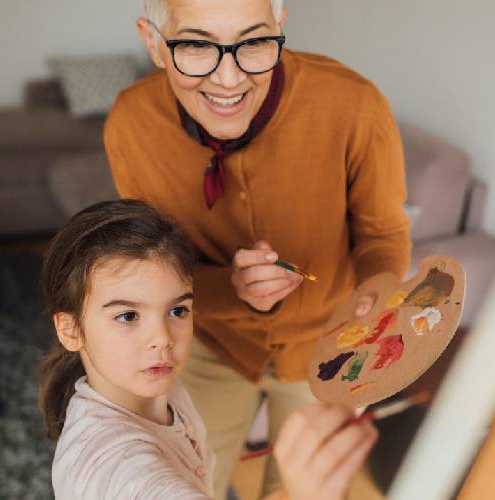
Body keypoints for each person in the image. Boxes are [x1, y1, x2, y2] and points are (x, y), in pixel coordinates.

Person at [104, 0, 410, 496]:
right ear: (154, 44)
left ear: (279, 29)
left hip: (331, 347)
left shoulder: (356, 104)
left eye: (254, 42)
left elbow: (384, 235)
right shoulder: (129, 122)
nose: (229, 79)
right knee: (185, 484)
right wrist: (230, 289)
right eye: (197, 45)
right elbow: (152, 267)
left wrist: (377, 298)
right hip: (208, 345)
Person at [38, 199, 378, 500]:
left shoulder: (162, 392)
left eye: (177, 310)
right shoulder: (116, 465)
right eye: (127, 316)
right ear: (70, 330)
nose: (163, 338)